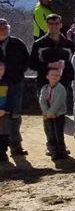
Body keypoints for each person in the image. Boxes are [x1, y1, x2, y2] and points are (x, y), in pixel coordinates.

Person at [0, 19, 29, 157]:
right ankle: (1, 150)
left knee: (15, 114)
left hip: (16, 84)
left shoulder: (18, 44)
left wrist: (17, 75)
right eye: (0, 27)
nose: (3, 29)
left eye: (5, 26)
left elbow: (26, 62)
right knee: (1, 115)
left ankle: (16, 145)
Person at [39, 67, 69, 159]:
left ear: (59, 77)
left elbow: (58, 103)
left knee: (58, 133)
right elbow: (42, 100)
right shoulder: (44, 88)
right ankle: (53, 150)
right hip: (47, 115)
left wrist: (51, 112)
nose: (54, 77)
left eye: (57, 75)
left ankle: (61, 151)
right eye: (52, 75)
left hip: (58, 115)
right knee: (49, 132)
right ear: (47, 76)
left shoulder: (61, 89)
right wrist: (46, 112)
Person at [0, 62, 11, 162]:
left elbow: (10, 98)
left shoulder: (7, 83)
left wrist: (5, 110)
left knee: (4, 133)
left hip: (4, 113)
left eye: (1, 68)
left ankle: (2, 152)